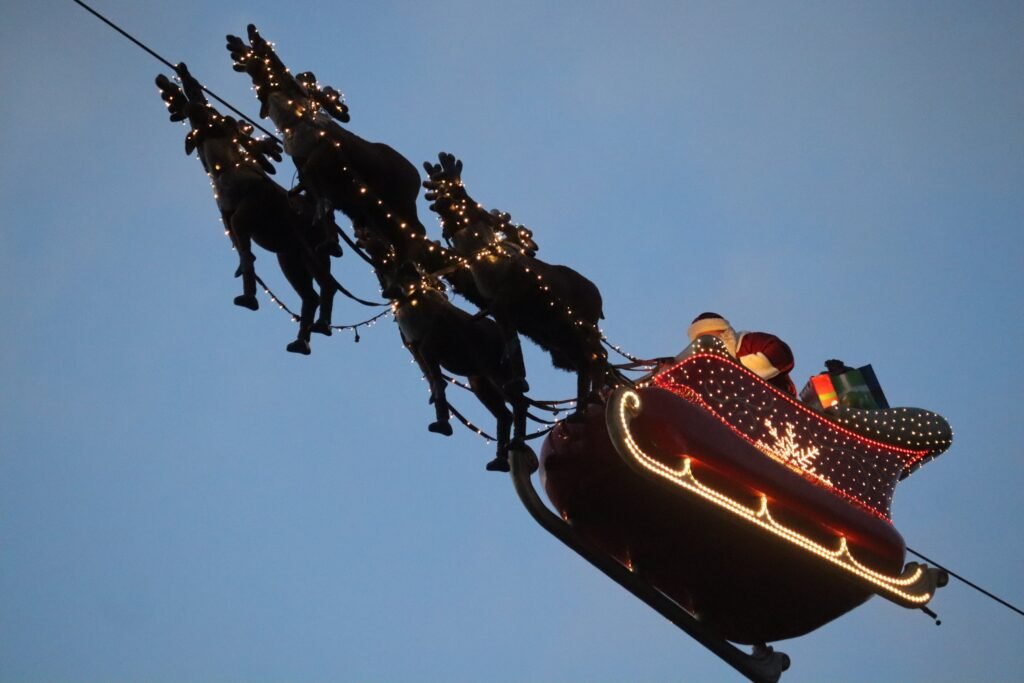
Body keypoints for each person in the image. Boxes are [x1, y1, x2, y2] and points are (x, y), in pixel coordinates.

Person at [681, 312, 797, 396]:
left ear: (726, 334)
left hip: (778, 406)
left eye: (712, 338)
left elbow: (781, 354)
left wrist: (736, 369)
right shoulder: (708, 375)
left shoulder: (749, 342)